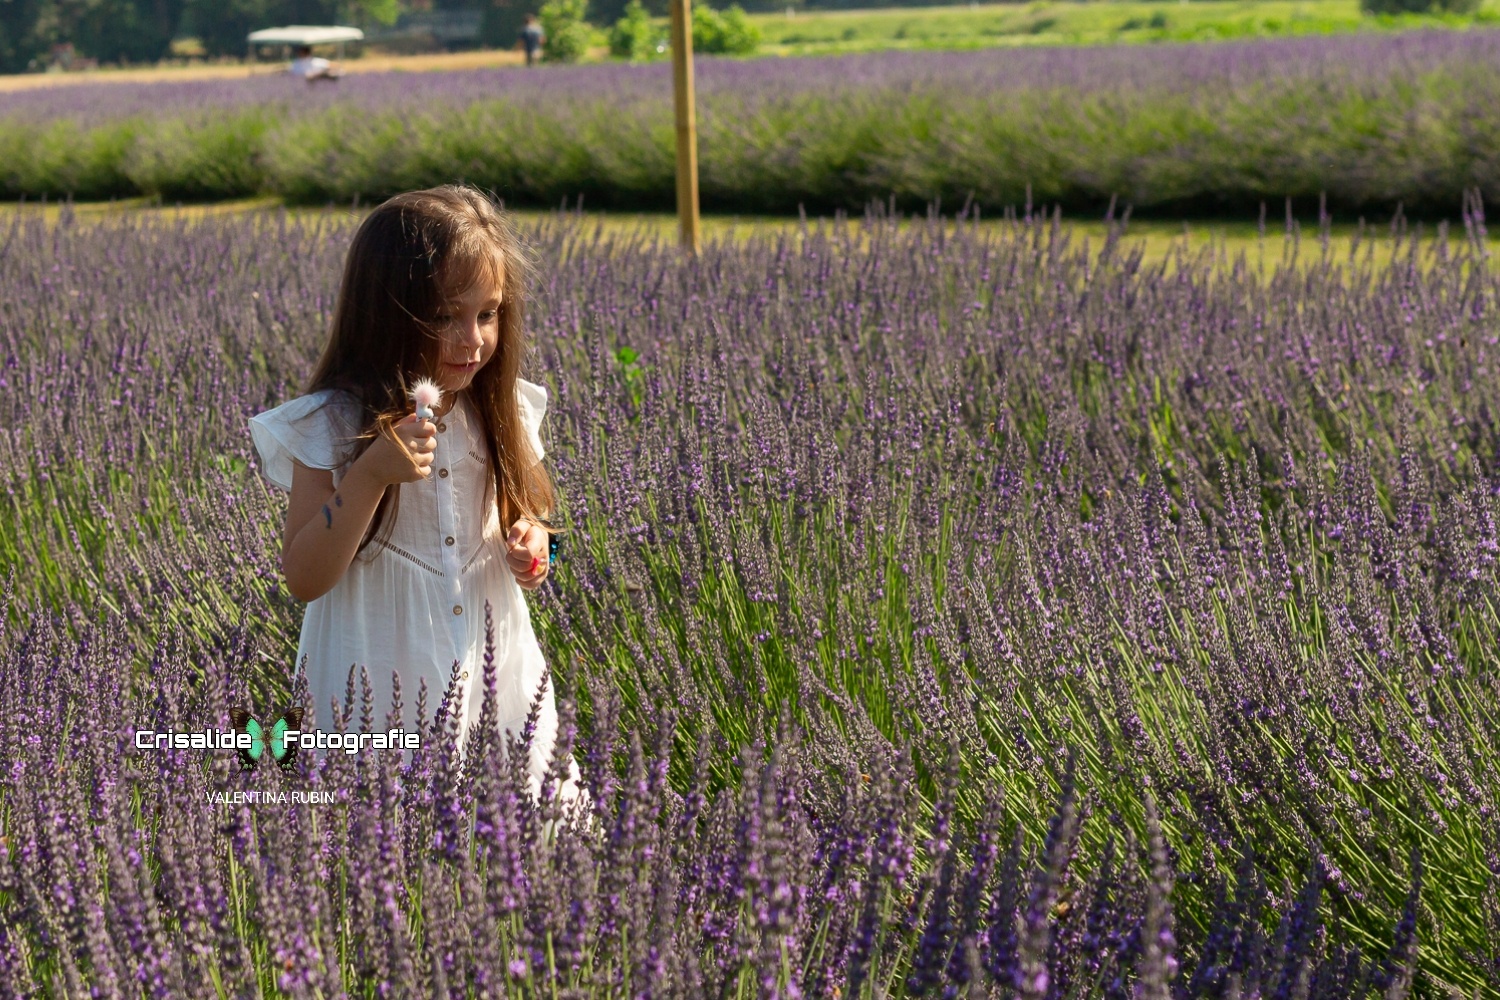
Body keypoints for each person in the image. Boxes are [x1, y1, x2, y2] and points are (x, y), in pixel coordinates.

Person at [248, 185, 584, 804]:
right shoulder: (329, 424)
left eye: (488, 314)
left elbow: (534, 521)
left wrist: (537, 548)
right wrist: (370, 473)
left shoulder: (501, 409)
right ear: (384, 315)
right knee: (384, 851)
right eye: (443, 317)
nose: (472, 339)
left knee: (518, 832)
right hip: (375, 671)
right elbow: (303, 576)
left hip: (496, 665)